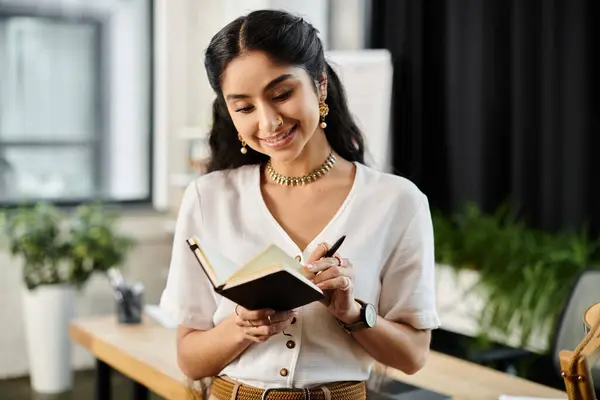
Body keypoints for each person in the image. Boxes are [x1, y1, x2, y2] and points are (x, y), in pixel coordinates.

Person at [159, 9, 440, 400]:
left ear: (320, 87)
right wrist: (242, 325)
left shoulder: (397, 202)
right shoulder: (209, 198)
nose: (269, 121)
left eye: (282, 94)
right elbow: (190, 359)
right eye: (244, 107)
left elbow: (412, 356)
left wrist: (352, 313)